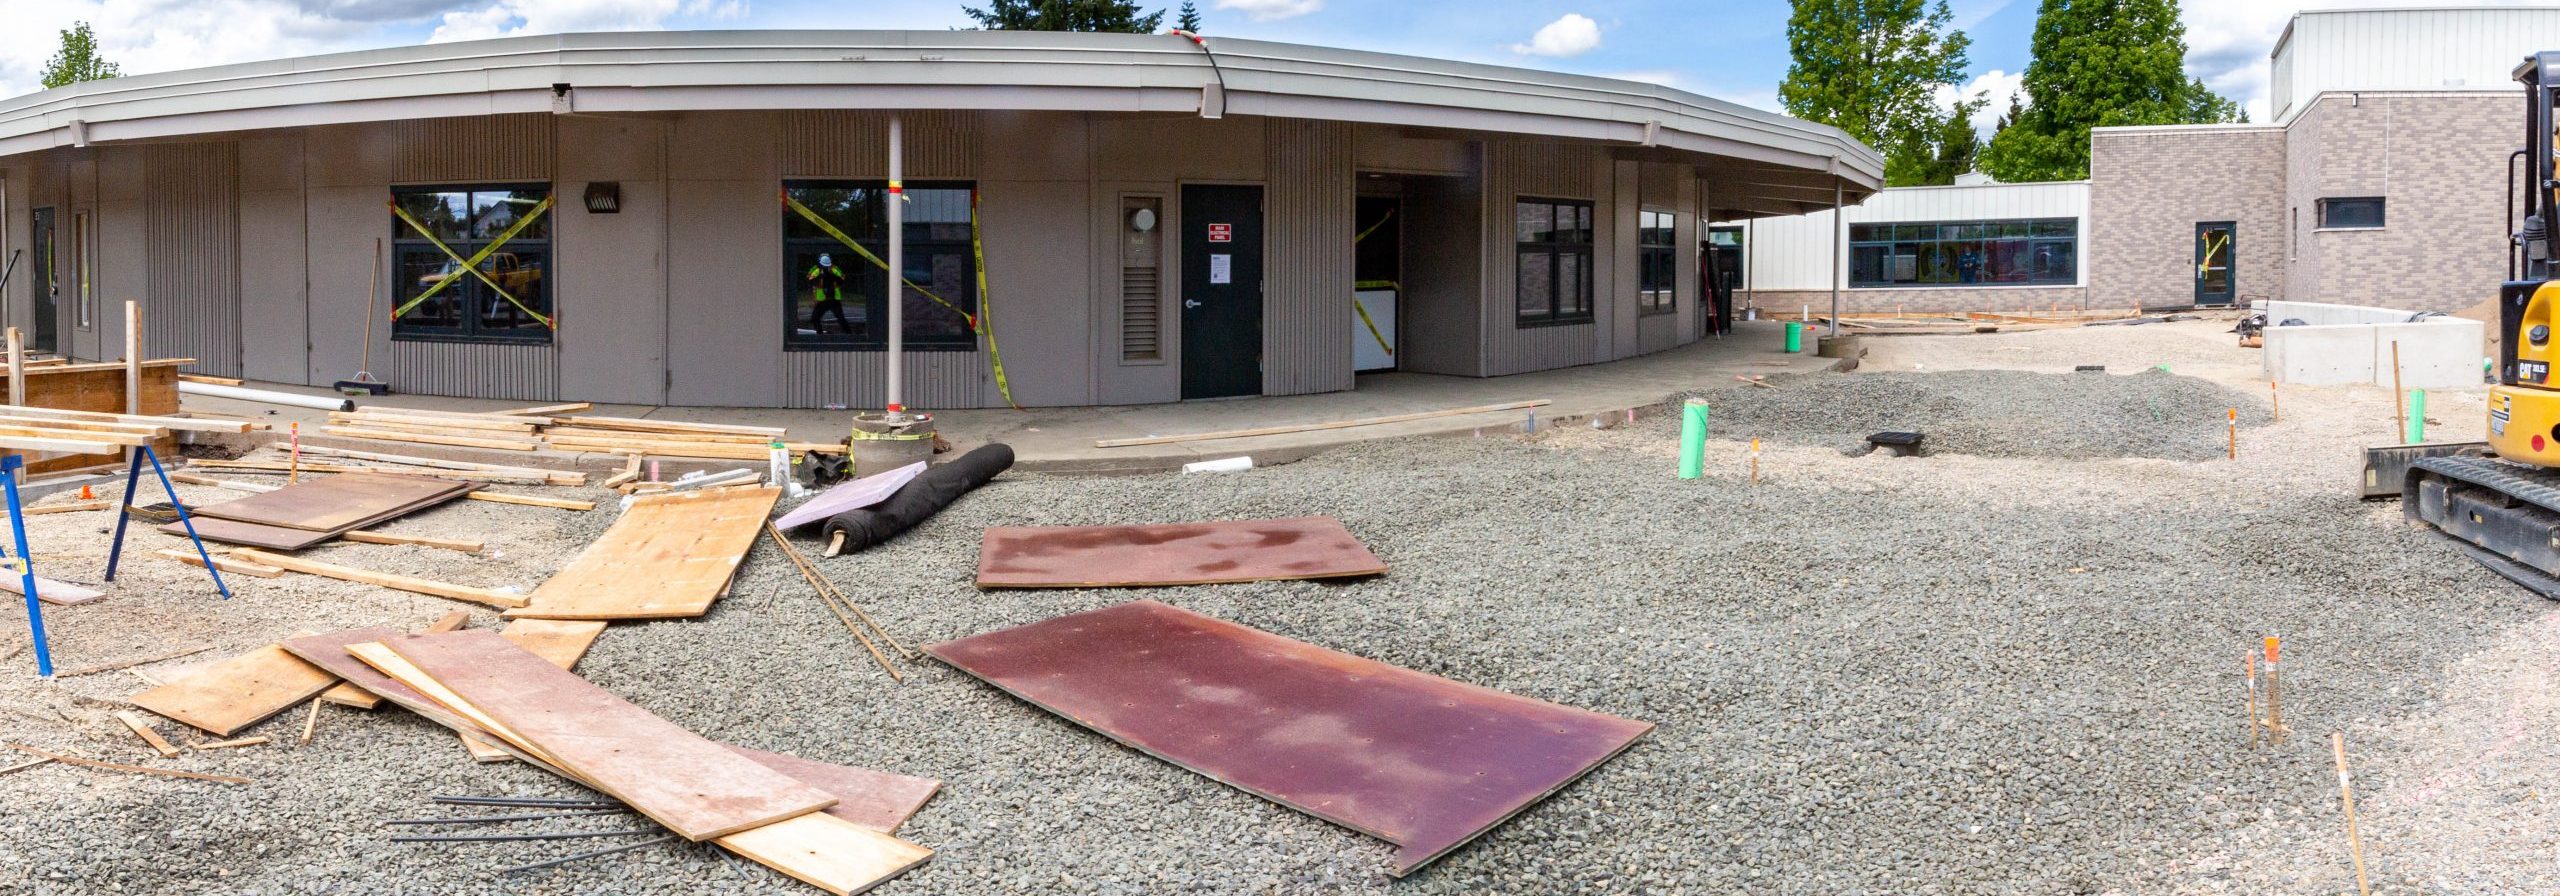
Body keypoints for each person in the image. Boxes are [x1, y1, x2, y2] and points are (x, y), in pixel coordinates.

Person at [805, 253, 851, 334]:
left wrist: (833, 277)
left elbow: (842, 279)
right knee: (815, 318)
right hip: (823, 300)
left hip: (834, 300)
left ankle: (849, 334)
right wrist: (819, 278)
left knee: (841, 319)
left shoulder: (834, 270)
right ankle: (820, 334)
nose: (826, 268)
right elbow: (810, 279)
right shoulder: (817, 270)